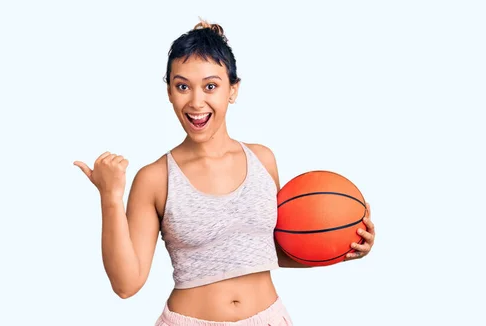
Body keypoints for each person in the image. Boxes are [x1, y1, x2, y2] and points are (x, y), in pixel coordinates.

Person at [73, 19, 376, 326]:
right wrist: (110, 197)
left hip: (269, 318)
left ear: (233, 90)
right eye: (182, 87)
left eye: (211, 86)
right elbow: (127, 285)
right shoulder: (155, 179)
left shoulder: (263, 159)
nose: (196, 102)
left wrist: (344, 245)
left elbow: (271, 250)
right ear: (169, 92)